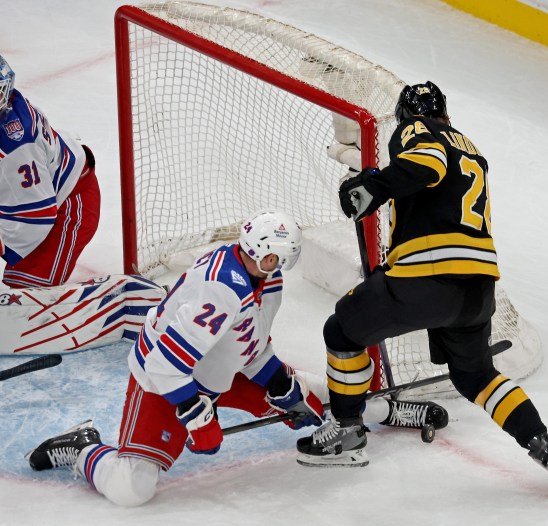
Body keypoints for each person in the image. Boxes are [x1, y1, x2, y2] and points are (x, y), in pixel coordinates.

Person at [26, 209, 448, 507]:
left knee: (310, 396)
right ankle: (83, 448)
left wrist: (278, 385)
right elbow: (164, 363)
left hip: (218, 375)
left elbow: (248, 345)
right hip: (165, 382)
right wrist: (198, 416)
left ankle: (384, 409)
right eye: (275, 257)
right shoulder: (221, 289)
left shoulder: (265, 280)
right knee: (132, 490)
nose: (278, 264)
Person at [296, 82, 548, 479]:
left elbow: (428, 164)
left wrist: (373, 185)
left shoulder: (417, 130)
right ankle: (542, 443)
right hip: (478, 290)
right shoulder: (471, 147)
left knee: (342, 330)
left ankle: (346, 431)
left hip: (428, 278)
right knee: (476, 375)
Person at [0, 55, 100, 289]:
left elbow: (38, 217)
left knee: (23, 300)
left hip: (67, 208)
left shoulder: (15, 147)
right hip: (27, 194)